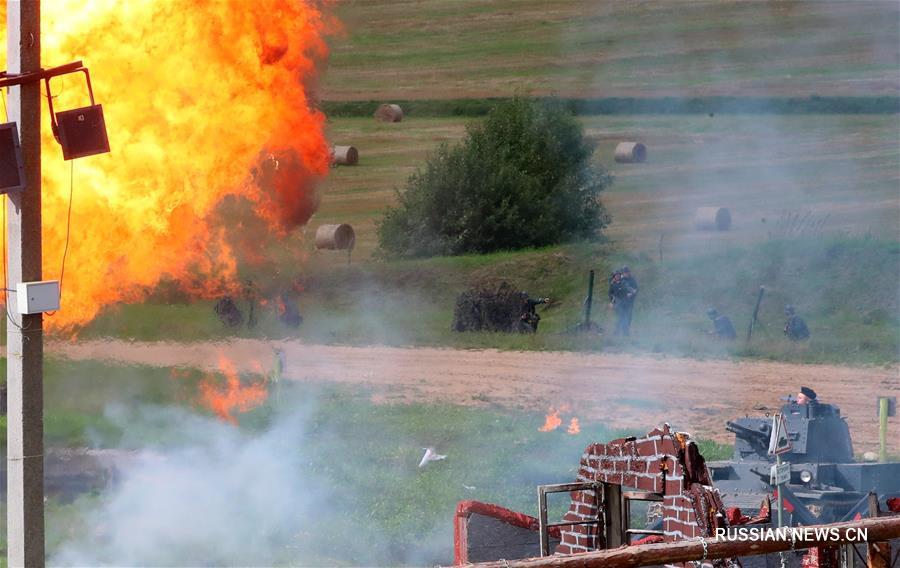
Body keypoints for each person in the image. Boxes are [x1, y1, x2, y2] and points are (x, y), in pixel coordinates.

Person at [608, 266, 638, 337]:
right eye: (616, 275)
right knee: (620, 317)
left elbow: (628, 288)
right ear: (614, 277)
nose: (618, 276)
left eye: (619, 275)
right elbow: (610, 294)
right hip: (618, 303)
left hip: (626, 302)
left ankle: (625, 333)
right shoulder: (613, 284)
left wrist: (631, 292)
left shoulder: (623, 282)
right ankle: (617, 332)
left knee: (627, 317)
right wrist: (612, 302)